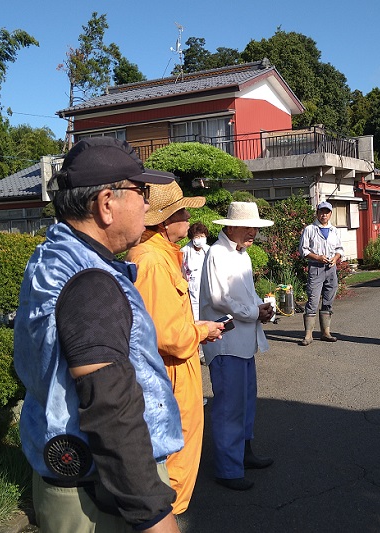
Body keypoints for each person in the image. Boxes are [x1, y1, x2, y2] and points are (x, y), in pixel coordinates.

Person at [13, 137, 184, 533]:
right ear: (107, 203)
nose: (147, 204)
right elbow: (110, 408)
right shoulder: (91, 284)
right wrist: (153, 513)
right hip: (102, 492)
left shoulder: (52, 257)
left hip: (74, 477)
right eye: (141, 192)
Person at [126, 182, 224, 515]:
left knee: (179, 441)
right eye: (182, 211)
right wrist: (203, 330)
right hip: (171, 367)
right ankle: (169, 516)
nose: (188, 218)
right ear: (165, 220)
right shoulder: (153, 260)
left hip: (175, 363)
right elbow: (167, 334)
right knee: (176, 445)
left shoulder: (160, 254)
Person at [199, 202, 275, 491]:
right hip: (225, 341)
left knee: (244, 403)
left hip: (242, 341)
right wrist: (256, 311)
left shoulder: (240, 255)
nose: (253, 232)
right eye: (248, 227)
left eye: (254, 227)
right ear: (230, 227)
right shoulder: (217, 253)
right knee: (229, 407)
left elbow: (247, 292)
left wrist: (261, 307)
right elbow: (220, 300)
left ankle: (244, 454)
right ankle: (228, 469)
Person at [298, 201, 344, 345]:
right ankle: (308, 335)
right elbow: (303, 250)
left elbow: (339, 249)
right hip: (315, 268)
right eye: (321, 212)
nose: (324, 215)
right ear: (317, 213)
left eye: (327, 212)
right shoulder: (310, 229)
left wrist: (335, 259)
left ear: (330, 214)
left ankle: (326, 332)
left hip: (331, 269)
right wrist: (317, 257)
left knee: (328, 300)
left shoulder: (334, 230)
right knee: (313, 299)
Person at [181, 222, 210, 321]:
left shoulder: (209, 250)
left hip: (206, 284)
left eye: (202, 236)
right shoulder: (184, 252)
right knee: (194, 313)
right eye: (197, 236)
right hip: (192, 287)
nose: (200, 239)